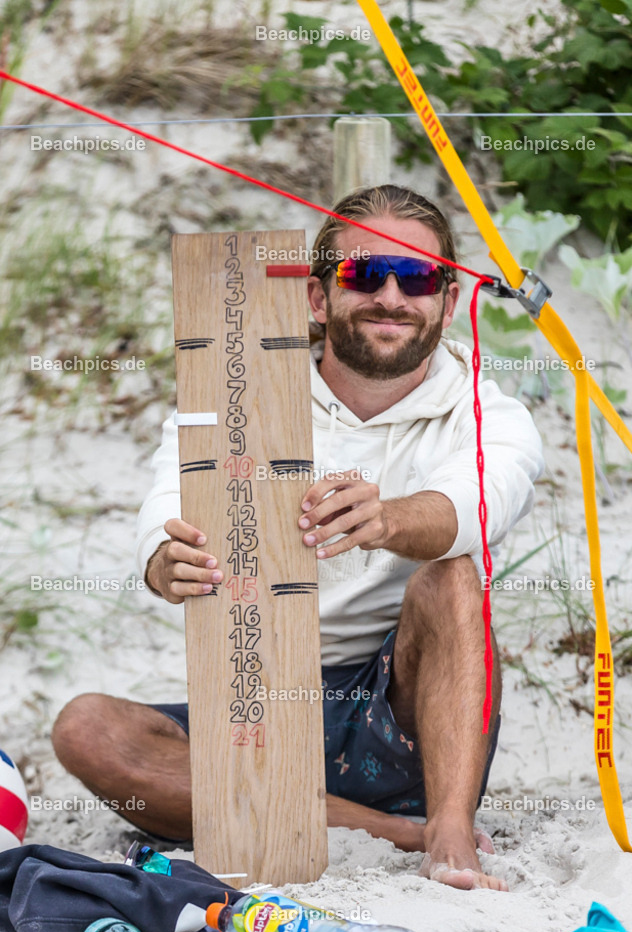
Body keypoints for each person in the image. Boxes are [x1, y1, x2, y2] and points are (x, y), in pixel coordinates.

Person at [52, 184, 544, 892]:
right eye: (363, 274)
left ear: (442, 297)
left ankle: (446, 829)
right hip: (252, 693)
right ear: (318, 299)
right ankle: (393, 833)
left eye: (418, 278)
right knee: (87, 728)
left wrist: (389, 519)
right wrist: (167, 560)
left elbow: (478, 504)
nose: (391, 296)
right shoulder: (235, 394)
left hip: (398, 716)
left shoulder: (488, 411)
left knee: (452, 572)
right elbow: (167, 503)